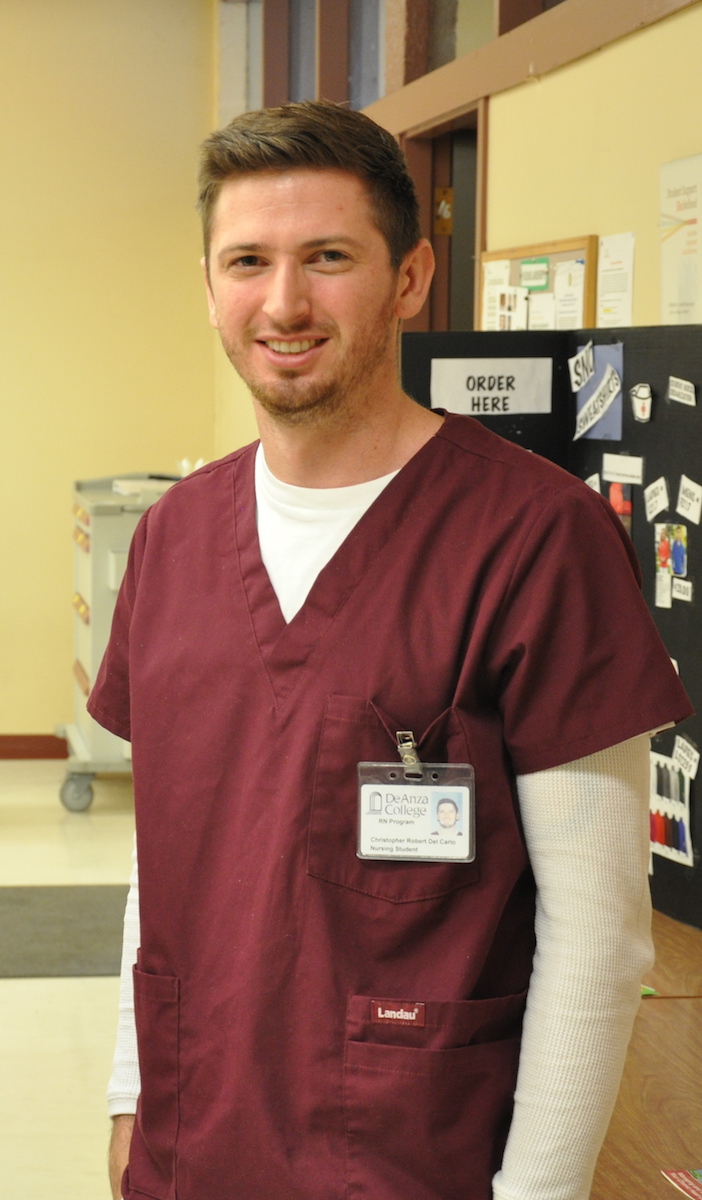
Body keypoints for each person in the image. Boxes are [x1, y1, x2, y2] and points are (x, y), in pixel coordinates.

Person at [90, 100, 692, 1200]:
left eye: (328, 258)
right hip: (195, 1139)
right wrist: (131, 1098)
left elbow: (600, 937)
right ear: (210, 286)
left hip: (413, 1154)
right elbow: (160, 859)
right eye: (247, 262)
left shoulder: (536, 537)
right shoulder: (175, 538)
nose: (284, 303)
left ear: (410, 279)